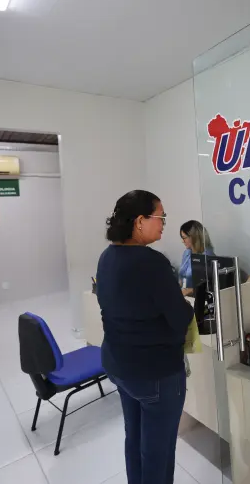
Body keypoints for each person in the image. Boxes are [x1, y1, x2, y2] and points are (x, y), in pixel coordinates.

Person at [97, 190, 193, 484]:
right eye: (160, 217)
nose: (164, 223)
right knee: (158, 451)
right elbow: (180, 318)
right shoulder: (152, 263)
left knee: (135, 438)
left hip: (119, 365)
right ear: (140, 221)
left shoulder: (107, 256)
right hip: (155, 373)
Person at [178, 220, 214, 296]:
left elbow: (209, 285)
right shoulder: (187, 253)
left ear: (193, 238)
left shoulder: (207, 256)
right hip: (185, 296)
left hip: (199, 297)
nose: (182, 241)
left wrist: (189, 291)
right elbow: (181, 277)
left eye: (184, 238)